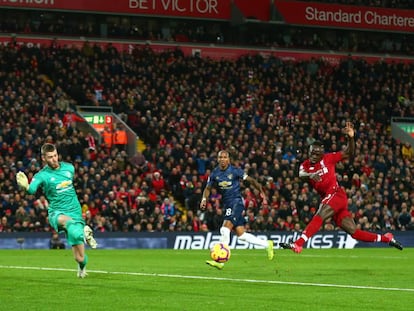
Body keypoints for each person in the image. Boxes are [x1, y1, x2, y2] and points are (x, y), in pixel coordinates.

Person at [280, 122, 403, 253]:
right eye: (312, 153)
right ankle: (387, 238)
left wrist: (351, 138)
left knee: (320, 214)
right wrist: (311, 175)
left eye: (316, 154)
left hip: (335, 194)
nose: (313, 156)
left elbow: (349, 153)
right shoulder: (305, 165)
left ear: (321, 154)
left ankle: (298, 244)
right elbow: (301, 175)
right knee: (354, 232)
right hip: (331, 198)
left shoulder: (329, 158)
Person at [16, 143, 98, 278]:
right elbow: (31, 190)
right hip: (57, 212)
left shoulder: (69, 168)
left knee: (80, 257)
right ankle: (84, 233)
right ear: (44, 158)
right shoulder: (42, 175)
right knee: (68, 223)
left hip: (75, 211)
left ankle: (81, 267)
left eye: (55, 155)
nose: (54, 159)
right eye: (50, 157)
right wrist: (25, 187)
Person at [200, 149, 274, 270]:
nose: (222, 159)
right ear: (217, 159)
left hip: (236, 203)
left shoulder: (235, 171)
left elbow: (251, 180)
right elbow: (208, 188)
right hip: (227, 204)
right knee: (241, 234)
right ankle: (267, 244)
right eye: (220, 157)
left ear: (228, 159)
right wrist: (204, 199)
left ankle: (220, 261)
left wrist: (261, 192)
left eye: (225, 157)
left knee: (225, 229)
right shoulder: (214, 173)